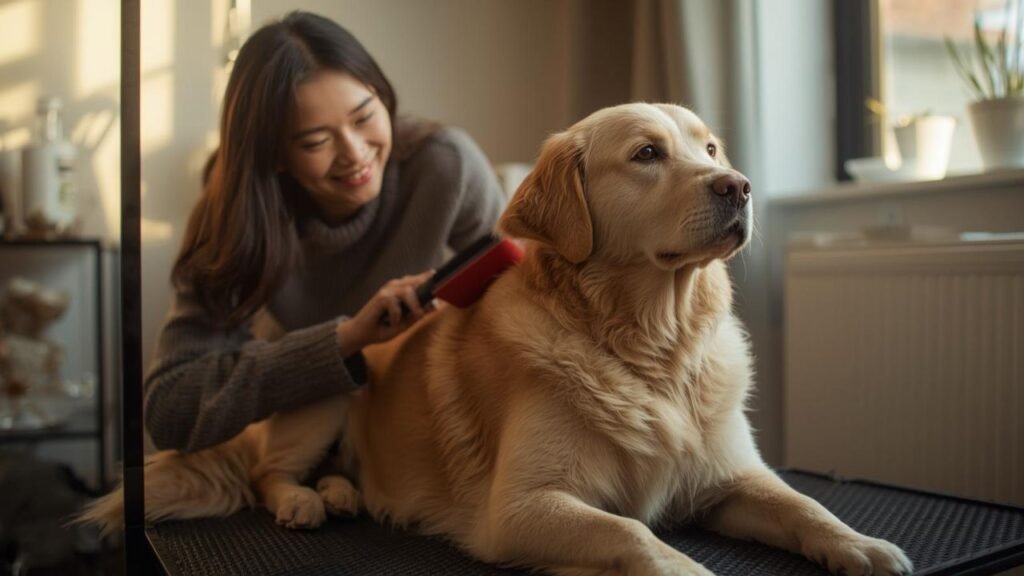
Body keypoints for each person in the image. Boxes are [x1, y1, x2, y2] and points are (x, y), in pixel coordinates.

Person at [144, 11, 504, 453]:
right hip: (305, 433)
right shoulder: (232, 215)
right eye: (316, 141)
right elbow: (170, 409)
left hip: (415, 423)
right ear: (275, 155)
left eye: (364, 116)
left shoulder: (447, 166)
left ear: (383, 96)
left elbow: (514, 308)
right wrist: (348, 338)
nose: (355, 154)